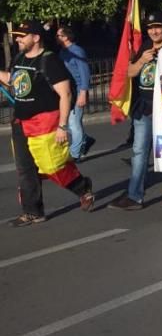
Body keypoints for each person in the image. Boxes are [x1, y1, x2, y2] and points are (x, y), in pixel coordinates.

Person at [1, 21, 94, 226]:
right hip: (20, 122)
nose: (18, 39)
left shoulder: (49, 60)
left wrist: (62, 126)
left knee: (52, 165)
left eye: (22, 36)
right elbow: (13, 80)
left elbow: (65, 93)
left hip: (45, 121)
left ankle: (82, 187)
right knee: (25, 169)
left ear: (35, 37)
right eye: (16, 36)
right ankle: (32, 211)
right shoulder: (19, 58)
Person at [110, 11, 162, 210]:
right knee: (139, 151)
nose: (154, 31)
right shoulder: (145, 47)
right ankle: (135, 195)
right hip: (144, 108)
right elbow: (129, 72)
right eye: (150, 28)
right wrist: (142, 60)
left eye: (157, 27)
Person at [56, 25, 94, 160]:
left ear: (66, 37)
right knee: (68, 121)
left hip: (77, 91)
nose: (57, 38)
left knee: (74, 122)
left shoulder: (76, 51)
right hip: (68, 91)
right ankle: (85, 139)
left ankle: (75, 153)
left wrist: (83, 93)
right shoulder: (63, 51)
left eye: (59, 35)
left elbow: (84, 73)